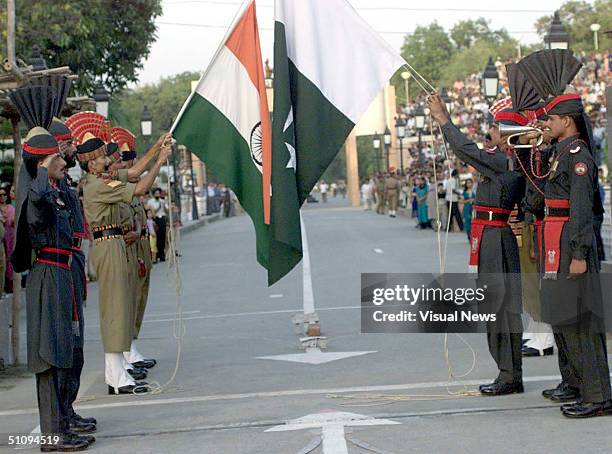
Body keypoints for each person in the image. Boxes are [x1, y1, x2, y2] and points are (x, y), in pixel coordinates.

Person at [519, 48, 611, 418]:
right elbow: (540, 192)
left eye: (552, 118)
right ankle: (581, 387)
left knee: (583, 325)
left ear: (568, 121)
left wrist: (577, 254)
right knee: (565, 320)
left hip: (572, 248)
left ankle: (598, 396)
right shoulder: (560, 152)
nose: (547, 124)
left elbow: (582, 212)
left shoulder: (579, 157)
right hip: (556, 243)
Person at [11, 85, 90, 450]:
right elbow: (37, 199)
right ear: (44, 164)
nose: (65, 160)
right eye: (57, 158)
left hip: (61, 275)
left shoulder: (58, 191)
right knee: (50, 357)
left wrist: (51, 169)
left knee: (64, 352)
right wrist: (41, 166)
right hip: (48, 276)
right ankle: (52, 436)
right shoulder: (39, 195)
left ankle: (62, 425)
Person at [429, 94, 525, 396]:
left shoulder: (503, 160)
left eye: (496, 128)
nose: (490, 133)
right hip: (491, 238)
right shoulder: (502, 160)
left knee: (500, 309)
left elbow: (463, 149)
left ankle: (509, 375)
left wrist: (444, 119)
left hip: (496, 240)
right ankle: (508, 372)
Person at [79, 128, 171, 395]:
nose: (108, 161)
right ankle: (115, 375)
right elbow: (140, 186)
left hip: (115, 243)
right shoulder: (97, 184)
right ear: (91, 162)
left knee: (120, 306)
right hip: (107, 245)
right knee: (115, 308)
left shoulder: (101, 178)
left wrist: (156, 148)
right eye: (102, 158)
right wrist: (161, 161)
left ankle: (117, 370)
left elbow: (132, 172)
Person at [49, 116, 99, 435]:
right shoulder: (46, 185)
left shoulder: (64, 182)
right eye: (67, 144)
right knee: (66, 346)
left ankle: (69, 408)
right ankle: (61, 415)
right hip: (58, 268)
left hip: (72, 264)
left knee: (76, 347)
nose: (73, 149)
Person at [0, 186, 15, 294]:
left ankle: (9, 284)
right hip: (1, 238)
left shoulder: (11, 208)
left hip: (10, 236)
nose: (2, 197)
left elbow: (13, 221)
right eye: (0, 195)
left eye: (4, 194)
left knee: (9, 259)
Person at [148, 188, 168, 262]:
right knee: (157, 237)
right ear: (153, 194)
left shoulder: (162, 201)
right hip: (156, 219)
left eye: (158, 193)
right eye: (156, 193)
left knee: (163, 236)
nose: (157, 195)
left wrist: (164, 206)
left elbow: (166, 211)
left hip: (162, 218)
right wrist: (159, 207)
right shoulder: (150, 202)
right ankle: (156, 255)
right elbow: (152, 212)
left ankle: (162, 254)